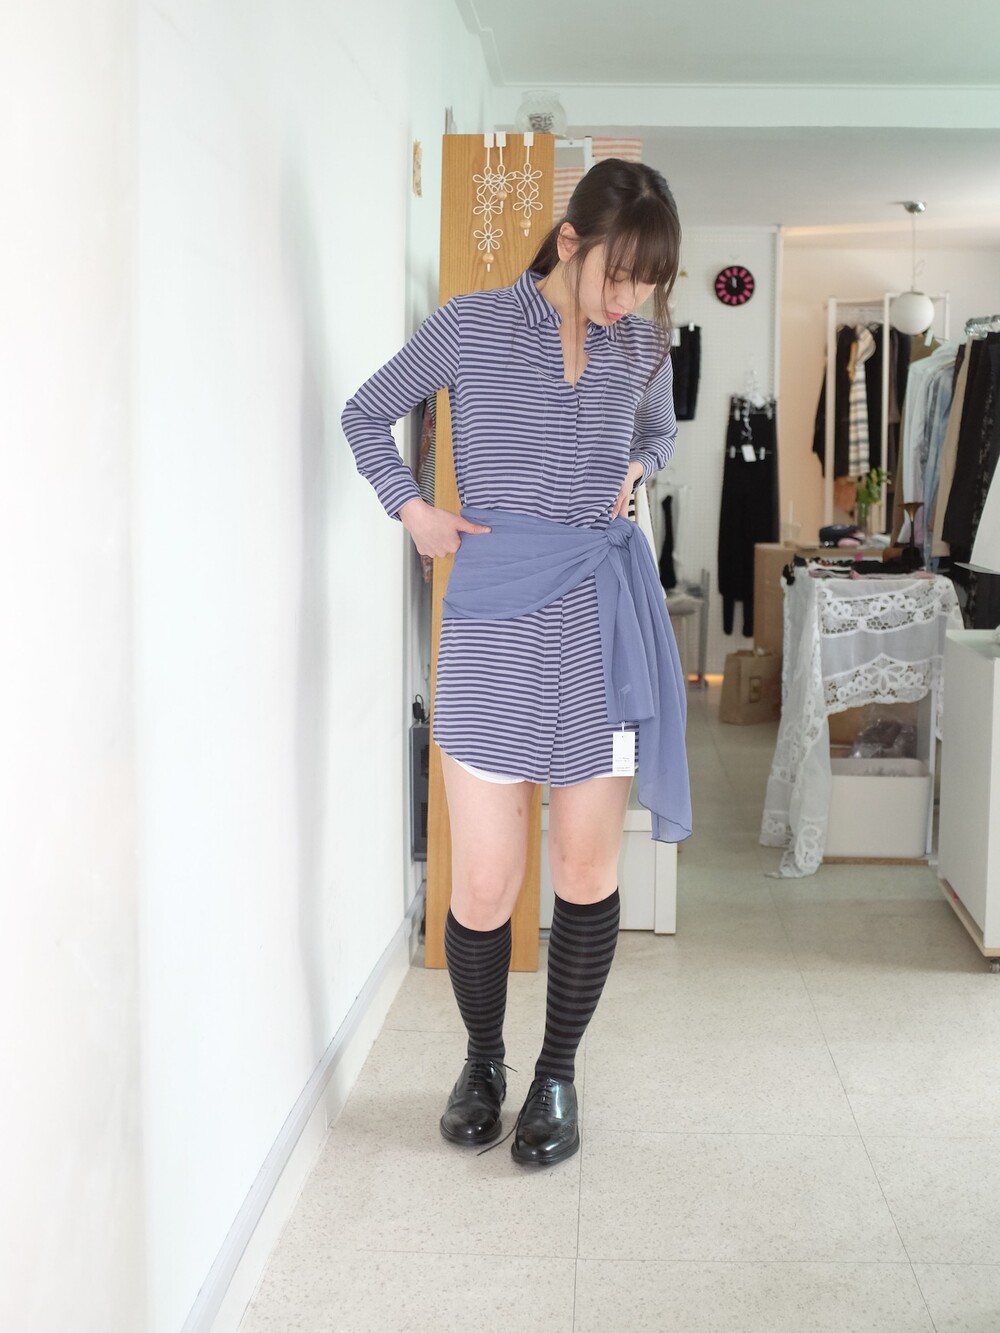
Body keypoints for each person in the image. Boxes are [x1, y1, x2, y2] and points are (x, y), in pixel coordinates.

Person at [342, 158, 691, 1168]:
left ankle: (557, 1073)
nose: (629, 299)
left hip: (601, 620)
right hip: (492, 619)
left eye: (648, 283)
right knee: (487, 883)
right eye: (618, 274)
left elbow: (660, 429)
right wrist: (413, 509)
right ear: (570, 242)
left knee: (584, 868)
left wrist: (640, 466)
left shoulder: (644, 344)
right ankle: (483, 1059)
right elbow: (365, 413)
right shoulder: (471, 325)